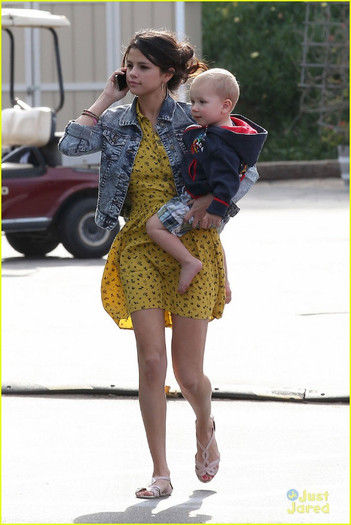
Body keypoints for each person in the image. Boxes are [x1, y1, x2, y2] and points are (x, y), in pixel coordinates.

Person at [59, 29, 231, 499]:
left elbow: (240, 172)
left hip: (190, 246)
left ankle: (204, 425)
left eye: (142, 67)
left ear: (167, 73)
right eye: (128, 65)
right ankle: (160, 471)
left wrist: (212, 217)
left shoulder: (195, 118)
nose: (132, 74)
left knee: (188, 375)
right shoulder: (115, 121)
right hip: (136, 243)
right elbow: (70, 148)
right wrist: (103, 98)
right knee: (151, 363)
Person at [146, 68, 267, 295]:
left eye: (202, 102)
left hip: (201, 202)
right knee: (212, 240)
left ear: (225, 106)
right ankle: (225, 283)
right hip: (209, 202)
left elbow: (229, 179)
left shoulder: (221, 144)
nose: (194, 108)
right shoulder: (215, 132)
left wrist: (216, 209)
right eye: (192, 101)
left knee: (154, 227)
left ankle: (188, 262)